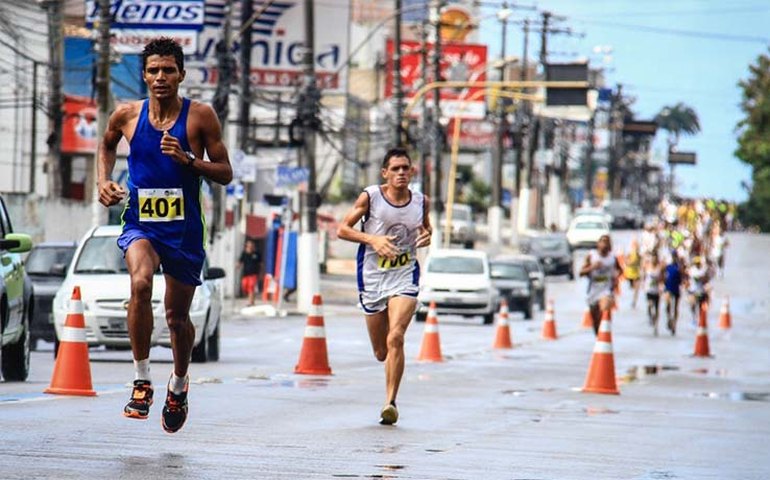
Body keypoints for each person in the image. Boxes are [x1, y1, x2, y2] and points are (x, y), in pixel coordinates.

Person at [97, 38, 232, 433]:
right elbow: (106, 145)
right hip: (141, 223)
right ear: (144, 75)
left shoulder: (200, 117)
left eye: (168, 70)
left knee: (177, 318)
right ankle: (141, 381)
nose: (160, 77)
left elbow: (225, 172)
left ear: (181, 75)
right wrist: (104, 181)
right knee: (140, 284)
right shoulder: (126, 115)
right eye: (153, 70)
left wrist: (189, 160)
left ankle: (178, 384)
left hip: (184, 230)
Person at [336, 147, 432, 425]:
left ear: (412, 172)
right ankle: (389, 386)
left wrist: (428, 235)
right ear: (385, 173)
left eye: (406, 168)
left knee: (396, 337)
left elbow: (426, 228)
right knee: (381, 351)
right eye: (396, 169)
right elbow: (342, 229)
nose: (401, 173)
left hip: (405, 274)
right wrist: (373, 240)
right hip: (373, 277)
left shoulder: (421, 201)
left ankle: (390, 403)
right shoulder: (371, 197)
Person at [579, 234, 622, 335]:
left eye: (607, 242)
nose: (604, 244)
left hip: (606, 290)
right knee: (595, 320)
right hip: (593, 291)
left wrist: (616, 277)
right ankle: (598, 336)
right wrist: (592, 267)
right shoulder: (591, 256)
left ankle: (605, 331)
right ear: (598, 244)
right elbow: (581, 273)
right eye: (602, 241)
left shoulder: (612, 258)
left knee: (604, 311)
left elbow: (620, 270)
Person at [642, 251, 664, 336]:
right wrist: (643, 285)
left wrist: (661, 285)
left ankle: (656, 327)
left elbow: (662, 279)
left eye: (655, 259)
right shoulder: (647, 266)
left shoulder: (660, 268)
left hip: (656, 290)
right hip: (649, 289)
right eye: (653, 259)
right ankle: (650, 316)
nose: (654, 260)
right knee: (650, 304)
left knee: (657, 309)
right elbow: (644, 277)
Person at [663, 250, 683, 335]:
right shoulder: (668, 266)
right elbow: (663, 276)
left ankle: (674, 324)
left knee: (675, 307)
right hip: (668, 288)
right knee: (667, 306)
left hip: (676, 288)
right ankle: (669, 319)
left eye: (675, 256)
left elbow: (682, 278)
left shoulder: (679, 267)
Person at [686, 256, 710, 325]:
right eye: (696, 263)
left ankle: (700, 319)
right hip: (692, 290)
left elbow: (706, 280)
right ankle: (694, 317)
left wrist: (703, 279)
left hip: (701, 291)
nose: (697, 264)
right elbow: (690, 278)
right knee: (692, 305)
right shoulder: (692, 270)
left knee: (700, 307)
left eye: (698, 263)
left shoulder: (703, 271)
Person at [238, 238, 262, 306]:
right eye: (249, 245)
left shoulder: (257, 254)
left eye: (251, 245)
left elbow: (261, 264)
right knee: (244, 286)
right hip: (245, 274)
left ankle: (251, 302)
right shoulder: (244, 253)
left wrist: (261, 273)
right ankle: (251, 299)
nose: (250, 246)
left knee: (251, 287)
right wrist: (238, 265)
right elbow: (240, 261)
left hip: (254, 274)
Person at [623, 239, 642, 309]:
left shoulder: (639, 254)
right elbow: (626, 262)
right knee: (631, 289)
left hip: (637, 274)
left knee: (637, 289)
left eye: (637, 245)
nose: (637, 247)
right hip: (630, 274)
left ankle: (634, 302)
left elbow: (641, 264)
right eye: (635, 245)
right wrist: (631, 263)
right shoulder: (630, 253)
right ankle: (628, 302)